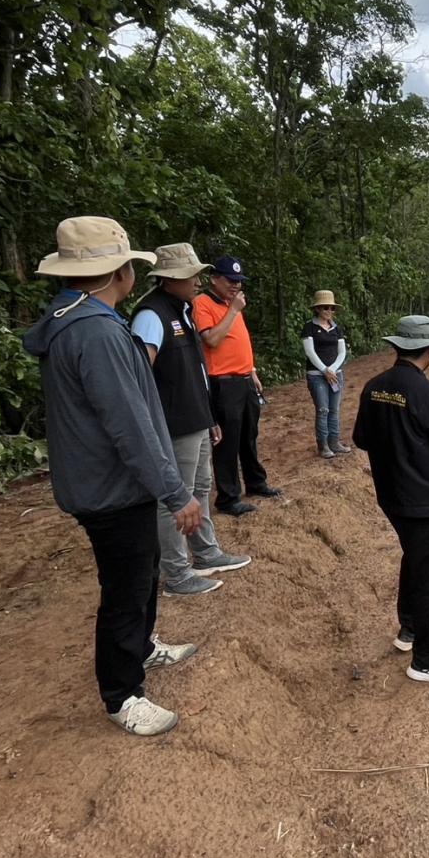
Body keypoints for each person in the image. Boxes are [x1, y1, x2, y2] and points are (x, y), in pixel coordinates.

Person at [23, 216, 202, 736]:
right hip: (110, 487)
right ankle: (122, 694)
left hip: (107, 482)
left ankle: (142, 648)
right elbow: (130, 425)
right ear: (118, 272)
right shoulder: (97, 332)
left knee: (141, 571)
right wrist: (175, 492)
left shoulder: (73, 318)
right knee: (124, 588)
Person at [351, 315, 429, 685]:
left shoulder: (374, 387)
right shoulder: (427, 393)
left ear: (399, 346)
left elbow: (361, 439)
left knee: (414, 557)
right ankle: (427, 658)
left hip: (391, 495)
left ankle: (408, 629)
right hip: (422, 499)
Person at [131, 243, 253, 596]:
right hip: (174, 424)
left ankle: (205, 552)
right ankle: (177, 572)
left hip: (197, 418)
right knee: (175, 498)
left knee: (199, 489)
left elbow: (196, 369)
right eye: (192, 276)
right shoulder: (151, 316)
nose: (198, 281)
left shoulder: (182, 310)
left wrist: (208, 415)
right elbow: (140, 376)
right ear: (171, 279)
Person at [193, 256, 281, 516]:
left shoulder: (232, 304)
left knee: (249, 435)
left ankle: (256, 482)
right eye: (230, 281)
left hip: (244, 379)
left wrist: (251, 370)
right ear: (214, 279)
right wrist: (233, 311)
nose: (235, 286)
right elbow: (212, 340)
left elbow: (239, 340)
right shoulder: (203, 303)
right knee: (228, 441)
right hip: (223, 382)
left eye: (238, 281)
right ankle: (228, 498)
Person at [301, 290, 352, 459]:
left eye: (331, 308)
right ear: (317, 309)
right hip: (317, 375)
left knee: (334, 409)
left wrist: (332, 369)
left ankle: (334, 442)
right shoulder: (309, 327)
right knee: (322, 409)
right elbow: (310, 352)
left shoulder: (337, 328)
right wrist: (324, 370)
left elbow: (342, 351)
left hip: (335, 373)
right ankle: (323, 445)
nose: (329, 311)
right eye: (325, 308)